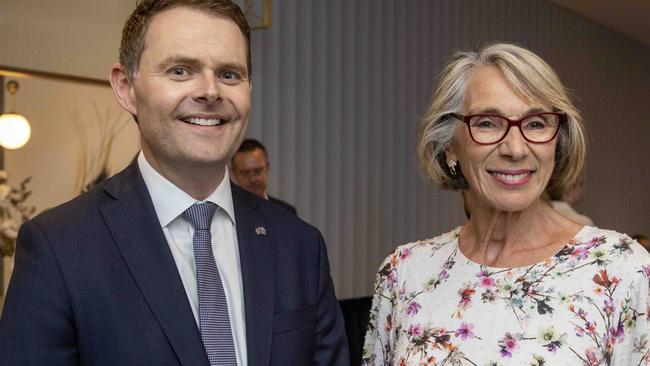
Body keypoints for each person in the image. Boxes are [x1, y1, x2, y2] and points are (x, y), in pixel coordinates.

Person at [0, 1, 349, 365]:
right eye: (181, 70)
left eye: (230, 74)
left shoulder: (299, 246)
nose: (210, 91)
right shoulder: (60, 248)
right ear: (126, 88)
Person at [362, 43, 650, 365]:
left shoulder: (621, 269)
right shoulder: (404, 273)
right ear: (449, 146)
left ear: (558, 142)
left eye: (537, 123)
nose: (515, 148)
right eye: (487, 123)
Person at [231, 138, 297, 214]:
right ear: (233, 173)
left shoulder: (287, 212)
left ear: (267, 167)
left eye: (257, 171)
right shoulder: (229, 212)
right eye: (245, 173)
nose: (252, 179)